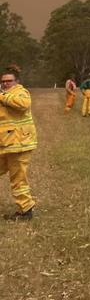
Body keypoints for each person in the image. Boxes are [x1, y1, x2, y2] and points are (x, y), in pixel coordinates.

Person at [0, 65, 37, 220]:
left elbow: (23, 105)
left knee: (18, 179)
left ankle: (26, 210)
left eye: (9, 81)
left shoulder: (21, 92)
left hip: (19, 145)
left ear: (17, 81)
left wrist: (2, 96)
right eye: (3, 81)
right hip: (5, 144)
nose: (5, 83)